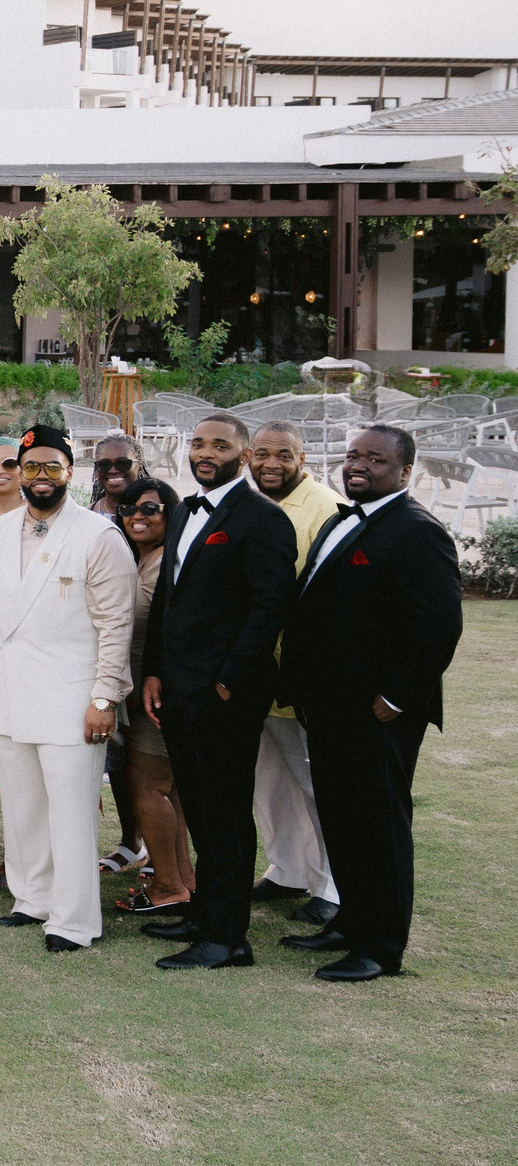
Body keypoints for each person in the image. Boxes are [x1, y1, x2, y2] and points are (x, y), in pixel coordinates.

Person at [280, 425, 463, 983]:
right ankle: (350, 923)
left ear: (405, 471)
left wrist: (397, 697)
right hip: (330, 706)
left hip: (377, 712)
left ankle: (380, 947)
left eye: (375, 459)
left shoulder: (417, 531)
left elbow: (438, 625)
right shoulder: (344, 519)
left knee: (379, 827)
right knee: (342, 820)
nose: (359, 466)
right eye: (353, 456)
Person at [139, 413, 295, 971]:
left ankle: (228, 939)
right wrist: (154, 670)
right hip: (178, 688)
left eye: (220, 446)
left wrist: (228, 680)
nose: (206, 453)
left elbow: (270, 608)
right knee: (201, 808)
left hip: (226, 694)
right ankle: (205, 913)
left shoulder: (264, 519)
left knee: (225, 813)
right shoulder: (184, 510)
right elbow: (169, 597)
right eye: (199, 443)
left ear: (245, 455)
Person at [0, 424, 138, 953]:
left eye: (52, 466)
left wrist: (104, 698)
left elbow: (117, 624)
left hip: (73, 694)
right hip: (9, 687)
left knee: (70, 810)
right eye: (31, 467)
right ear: (18, 473)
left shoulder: (98, 535)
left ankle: (73, 919)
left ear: (70, 472)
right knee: (22, 806)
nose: (40, 476)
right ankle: (33, 897)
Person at [247, 421, 345, 931]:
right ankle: (286, 868)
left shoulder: (326, 509)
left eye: (283, 455)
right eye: (261, 453)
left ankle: (333, 886)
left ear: (301, 458)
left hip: (300, 676)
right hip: (252, 675)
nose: (271, 464)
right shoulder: (246, 504)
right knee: (269, 780)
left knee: (317, 784)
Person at [109, 475, 192, 920]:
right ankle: (182, 879)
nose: (136, 517)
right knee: (166, 789)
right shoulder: (142, 559)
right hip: (140, 689)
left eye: (149, 509)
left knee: (148, 787)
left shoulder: (167, 563)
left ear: (170, 514)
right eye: (128, 509)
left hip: (155, 693)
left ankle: (166, 886)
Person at [88, 435, 146, 517]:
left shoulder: (153, 513)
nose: (113, 470)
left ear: (139, 467)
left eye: (123, 463)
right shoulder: (89, 516)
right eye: (104, 464)